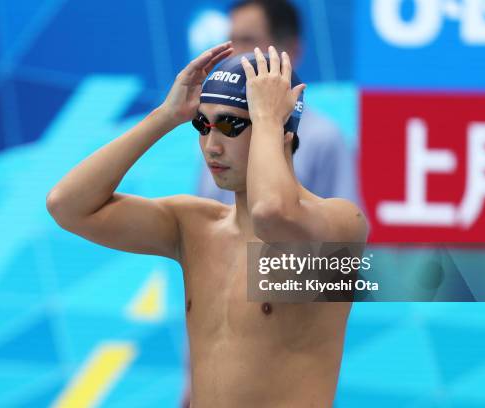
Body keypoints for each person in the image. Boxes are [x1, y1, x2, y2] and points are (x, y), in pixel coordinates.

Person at [46, 43, 368, 407]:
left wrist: (265, 120)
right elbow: (67, 206)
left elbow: (271, 214)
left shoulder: (340, 224)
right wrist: (165, 116)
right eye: (203, 124)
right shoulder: (195, 227)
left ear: (283, 130)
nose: (211, 146)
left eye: (230, 125)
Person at [197, 0, 359, 205]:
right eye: (230, 42)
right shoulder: (214, 129)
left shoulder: (322, 138)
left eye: (247, 40)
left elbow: (342, 232)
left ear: (290, 50)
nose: (235, 54)